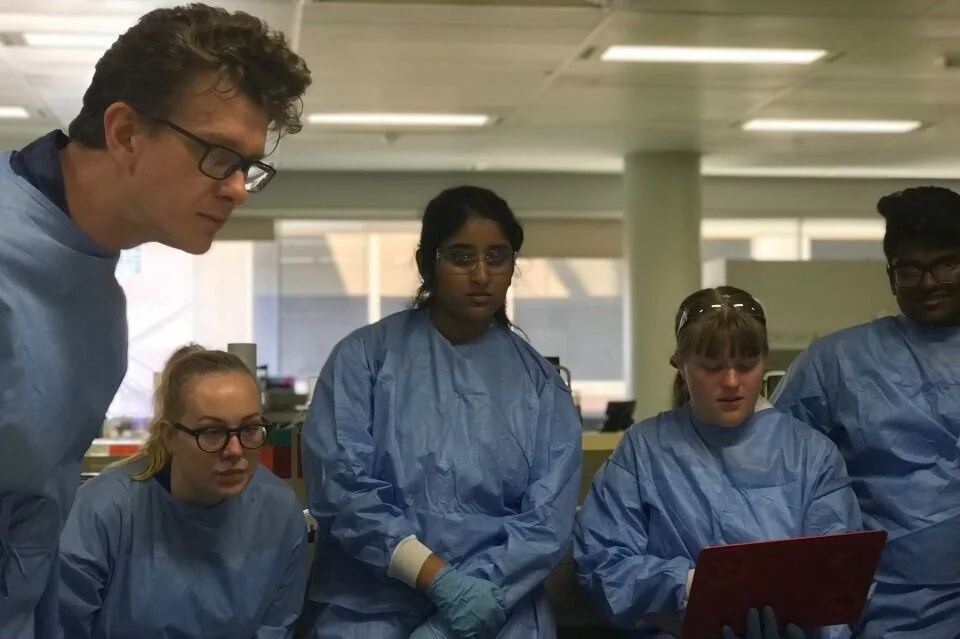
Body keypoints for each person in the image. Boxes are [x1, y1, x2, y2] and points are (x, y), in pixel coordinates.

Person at [0, 4, 310, 636]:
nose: (238, 189)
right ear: (125, 133)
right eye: (219, 154)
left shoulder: (93, 291)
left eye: (249, 165)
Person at [300, 185, 583, 639]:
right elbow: (342, 488)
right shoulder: (366, 360)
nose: (481, 275)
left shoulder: (540, 384)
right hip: (371, 607)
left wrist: (473, 601)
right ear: (425, 263)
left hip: (496, 608)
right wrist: (439, 580)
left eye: (497, 257)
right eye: (462, 257)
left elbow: (547, 520)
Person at [573, 287, 863, 639]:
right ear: (680, 364)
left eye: (746, 365)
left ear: (765, 361)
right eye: (712, 367)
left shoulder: (811, 455)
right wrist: (689, 586)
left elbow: (839, 574)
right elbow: (603, 566)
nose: (730, 382)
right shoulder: (644, 451)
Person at [772, 186, 960, 639]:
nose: (929, 282)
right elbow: (775, 476)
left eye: (947, 264)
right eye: (910, 270)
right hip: (882, 607)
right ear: (891, 275)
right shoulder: (837, 363)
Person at [58, 345, 308, 638]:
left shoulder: (277, 512)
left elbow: (275, 628)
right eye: (212, 432)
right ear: (169, 436)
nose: (235, 450)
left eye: (250, 429)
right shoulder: (105, 512)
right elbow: (60, 624)